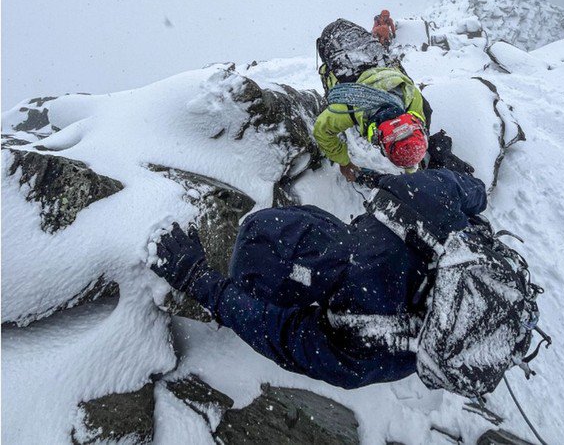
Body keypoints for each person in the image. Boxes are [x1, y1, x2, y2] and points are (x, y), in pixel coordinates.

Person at [150, 164, 488, 390]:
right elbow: (476, 193)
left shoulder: (358, 339)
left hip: (414, 343)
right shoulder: (421, 193)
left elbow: (271, 329)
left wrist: (196, 277)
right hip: (463, 300)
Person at [313, 66, 430, 181]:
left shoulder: (410, 93)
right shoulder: (346, 109)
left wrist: (411, 166)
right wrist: (344, 162)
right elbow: (321, 131)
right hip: (341, 72)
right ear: (376, 137)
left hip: (382, 67)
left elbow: (408, 141)